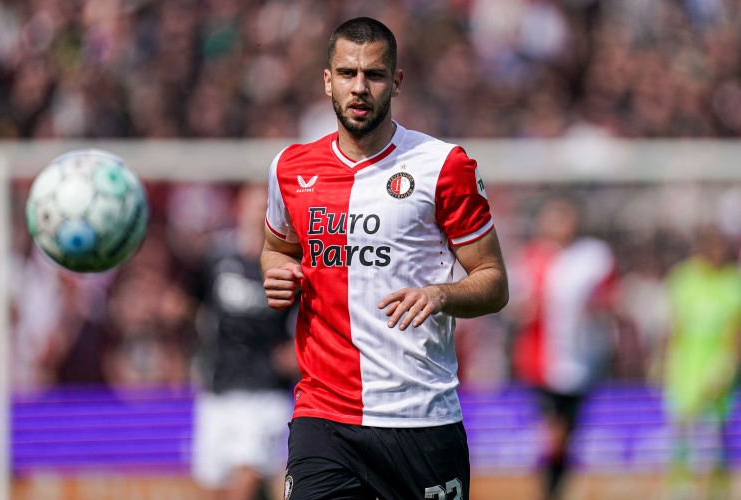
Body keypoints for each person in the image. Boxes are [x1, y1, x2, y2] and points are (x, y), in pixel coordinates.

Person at [260, 17, 509, 500]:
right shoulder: (290, 168)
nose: (359, 87)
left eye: (373, 75)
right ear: (327, 80)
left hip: (420, 419)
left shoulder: (442, 166)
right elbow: (276, 249)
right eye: (347, 73)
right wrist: (277, 273)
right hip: (324, 417)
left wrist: (440, 295)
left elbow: (494, 282)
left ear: (395, 82)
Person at [191, 182, 299, 500]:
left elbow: (314, 313)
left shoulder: (288, 265)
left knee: (245, 481)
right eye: (254, 206)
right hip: (218, 389)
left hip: (263, 391)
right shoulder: (216, 259)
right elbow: (193, 304)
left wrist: (298, 351)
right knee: (212, 489)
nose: (259, 214)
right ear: (239, 208)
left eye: (266, 207)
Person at [510, 197, 618, 500]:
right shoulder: (531, 258)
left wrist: (597, 311)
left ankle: (555, 488)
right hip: (541, 362)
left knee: (567, 434)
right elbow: (517, 307)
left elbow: (608, 301)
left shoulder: (592, 257)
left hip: (581, 362)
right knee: (553, 433)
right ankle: (549, 489)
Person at [662, 226, 741, 500]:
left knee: (715, 432)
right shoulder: (684, 280)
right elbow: (675, 325)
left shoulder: (733, 284)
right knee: (682, 427)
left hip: (718, 368)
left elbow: (735, 331)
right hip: (686, 368)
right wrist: (667, 359)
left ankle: (717, 489)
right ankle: (680, 487)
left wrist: (728, 364)